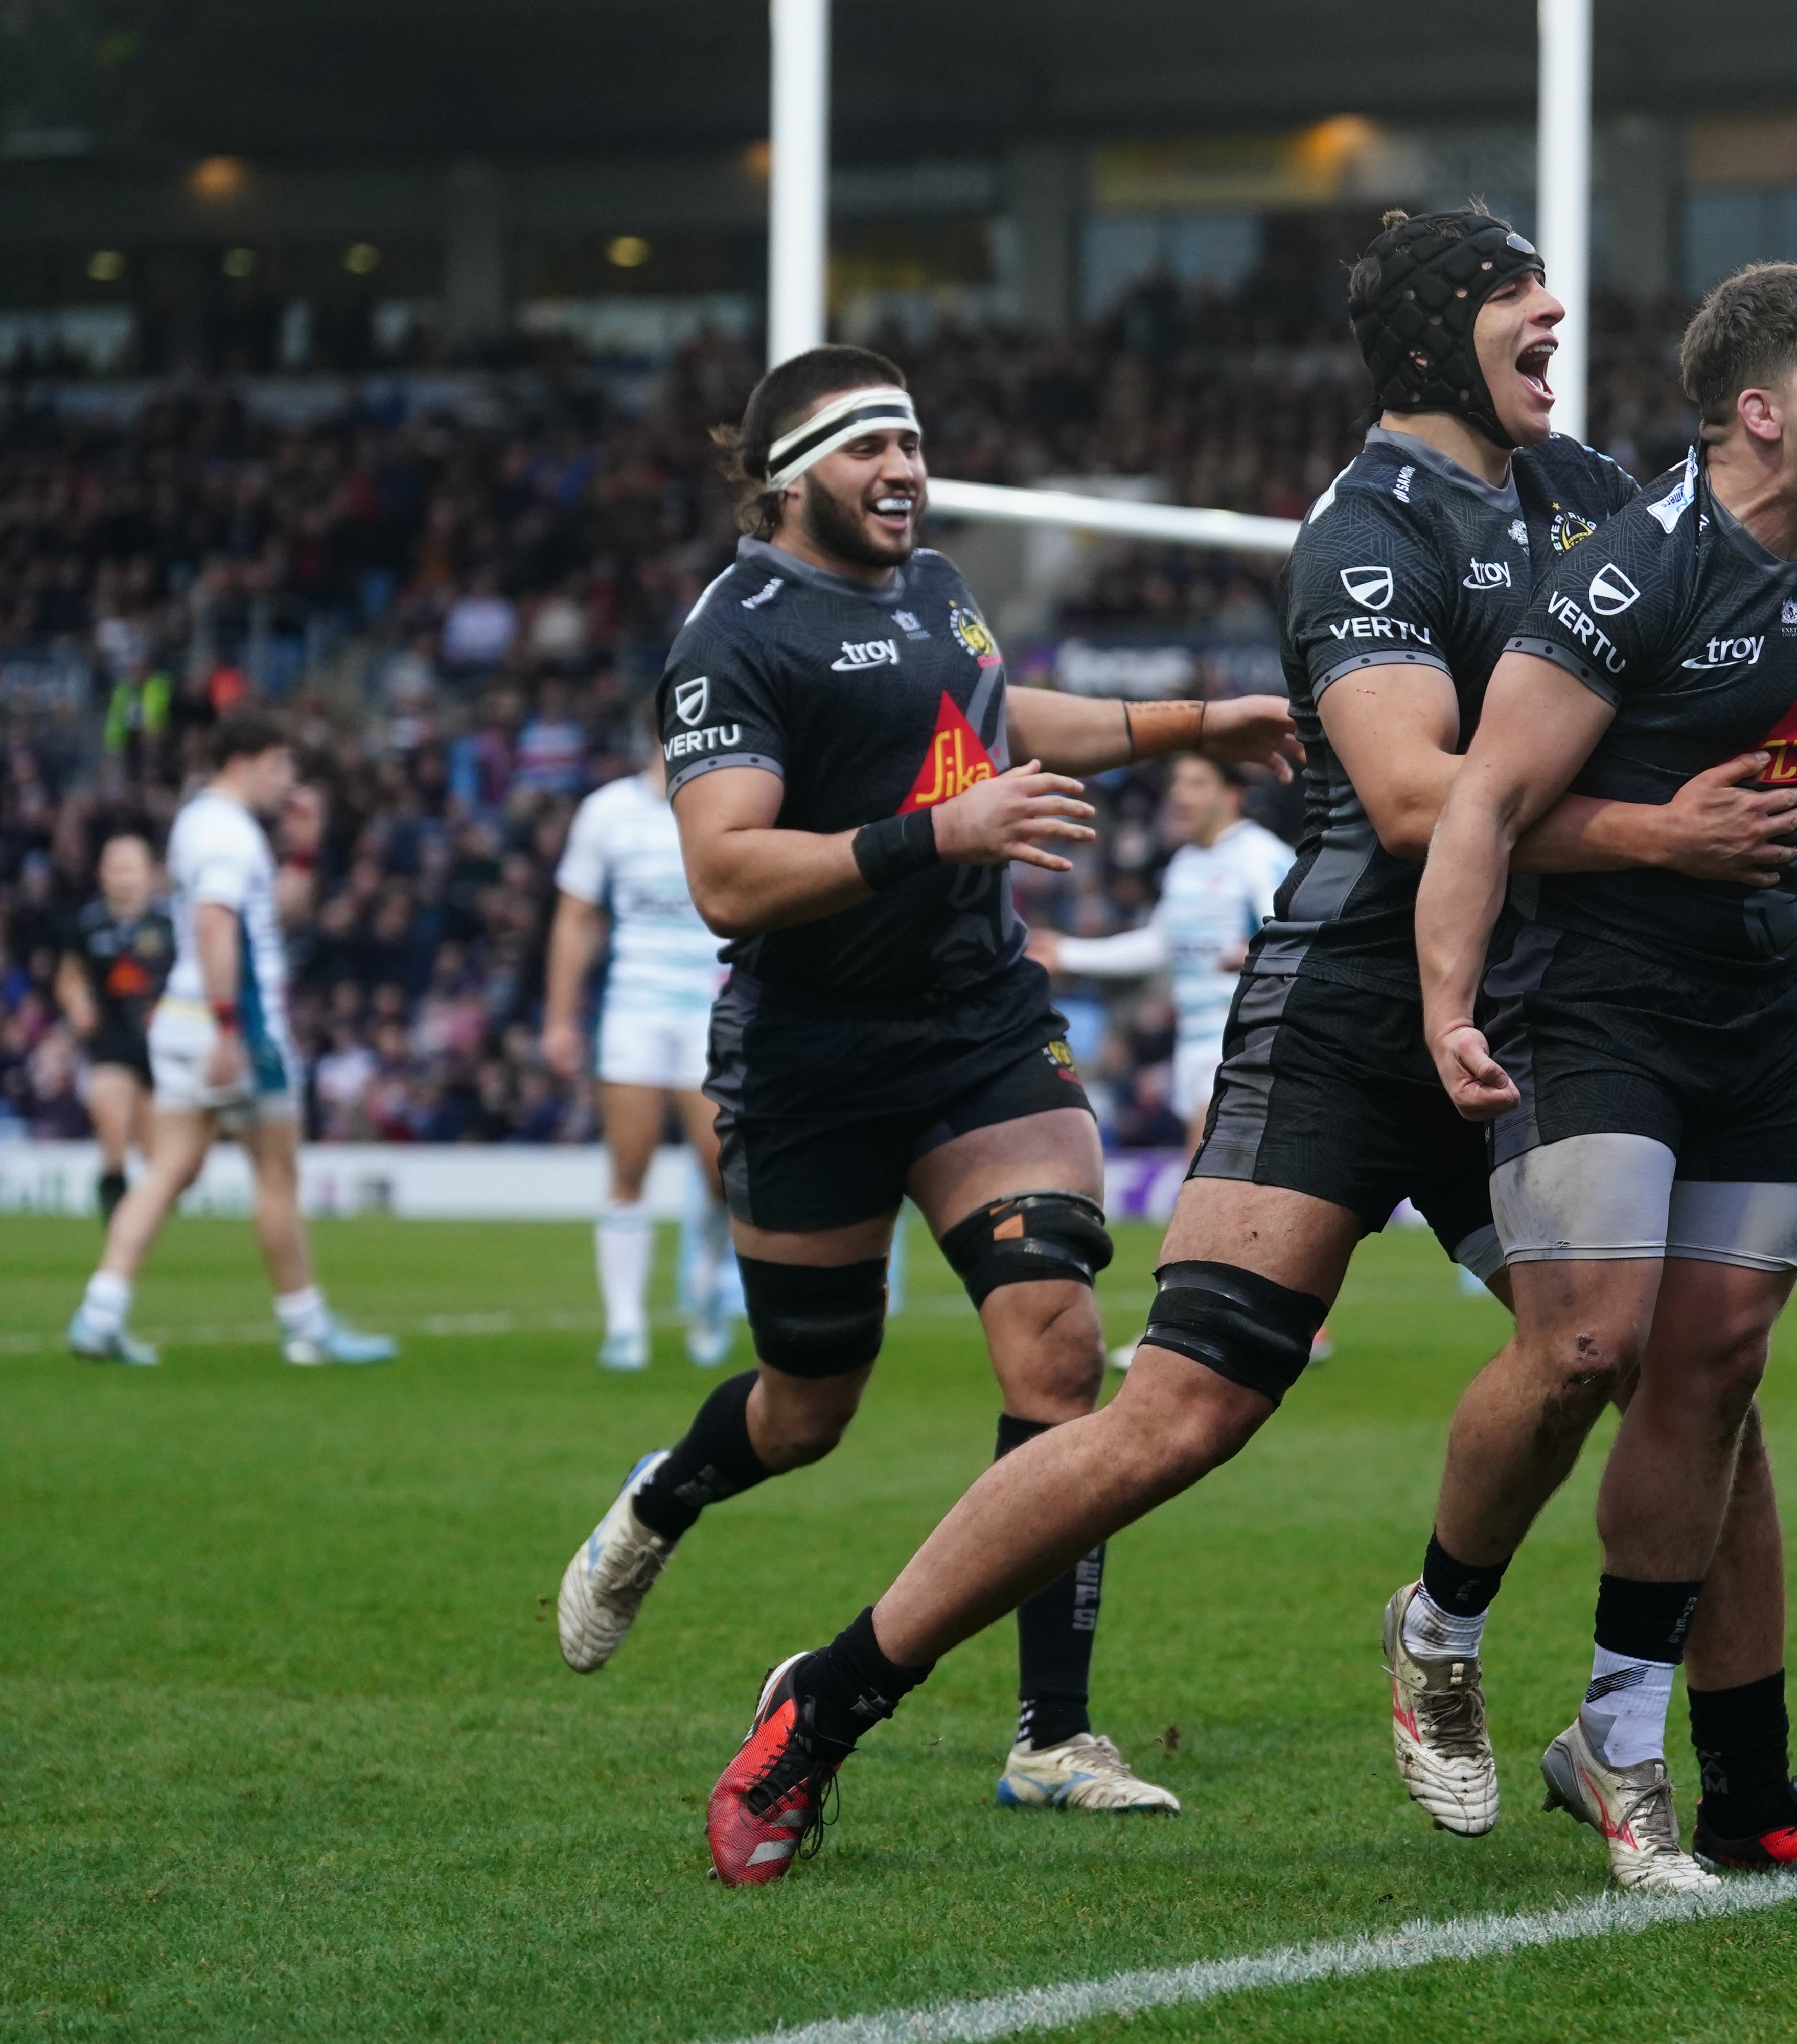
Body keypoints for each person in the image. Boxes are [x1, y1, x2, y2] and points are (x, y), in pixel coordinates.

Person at [690, 210, 1797, 1887]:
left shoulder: (1588, 501)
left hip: (1543, 1021)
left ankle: (1733, 1783)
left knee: (1691, 1376)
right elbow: (1423, 804)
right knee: (1176, 1421)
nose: (1561, 341)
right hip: (1357, 1016)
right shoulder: (1363, 531)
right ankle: (824, 1705)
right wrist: (1666, 835)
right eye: (1529, 314)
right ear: (1441, 340)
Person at [551, 345, 1299, 1829]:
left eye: (913, 443)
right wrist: (937, 837)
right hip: (810, 1054)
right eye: (869, 448)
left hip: (976, 1027)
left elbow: (1003, 719)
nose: (905, 471)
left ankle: (1051, 1732)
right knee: (806, 1405)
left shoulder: (938, 582)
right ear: (785, 477)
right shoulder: (733, 638)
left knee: (1059, 1348)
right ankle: (662, 1500)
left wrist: (1187, 726)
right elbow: (725, 873)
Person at [1416, 262, 1797, 1891]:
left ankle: (1620, 1751)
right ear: (1758, 412)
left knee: (1712, 1372)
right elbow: (1479, 804)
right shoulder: (1629, 578)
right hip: (1587, 1001)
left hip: (1756, 1017)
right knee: (1592, 1338)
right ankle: (1437, 1619)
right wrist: (1447, 1004)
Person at [63, 716, 400, 1369]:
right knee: (276, 1175)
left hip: (184, 1017)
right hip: (235, 1024)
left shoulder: (203, 823)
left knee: (169, 1170)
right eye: (280, 765)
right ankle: (305, 1326)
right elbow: (217, 926)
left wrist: (304, 851)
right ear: (244, 760)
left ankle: (100, 1312)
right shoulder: (227, 831)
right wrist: (228, 1027)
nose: (288, 782)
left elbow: (267, 914)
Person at [543, 744, 739, 1372]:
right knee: (629, 1165)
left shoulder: (727, 807)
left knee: (720, 1170)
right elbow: (574, 917)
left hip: (710, 1010)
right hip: (635, 1008)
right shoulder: (607, 813)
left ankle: (705, 1287)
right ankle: (624, 1323)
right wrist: (559, 1018)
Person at [1028, 753, 1294, 1156]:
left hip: (1248, 1033)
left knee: (1205, 1167)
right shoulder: (1185, 864)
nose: (1180, 795)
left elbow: (1298, 937)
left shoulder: (1260, 856)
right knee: (1214, 1174)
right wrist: (1068, 953)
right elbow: (1159, 944)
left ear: (1233, 794)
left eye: (1197, 783)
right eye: (1177, 784)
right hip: (1196, 1035)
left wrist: (1257, 953)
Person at [55, 831, 173, 1221]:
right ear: (103, 874)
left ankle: (145, 1211)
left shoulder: (169, 922)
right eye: (116, 868)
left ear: (149, 874)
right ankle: (114, 1177)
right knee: (112, 1113)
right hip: (111, 1038)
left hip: (164, 1044)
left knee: (157, 1149)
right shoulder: (89, 924)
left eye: (131, 868)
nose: (124, 878)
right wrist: (78, 1005)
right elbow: (69, 977)